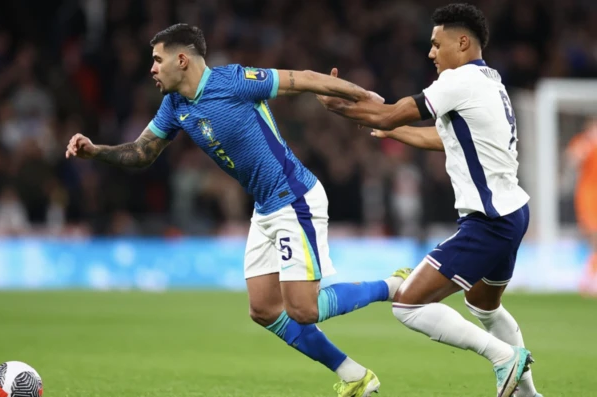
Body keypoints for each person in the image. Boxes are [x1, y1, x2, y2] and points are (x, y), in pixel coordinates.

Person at [65, 23, 410, 397]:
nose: (151, 68)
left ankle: (393, 286)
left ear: (181, 60)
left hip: (294, 197)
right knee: (263, 309)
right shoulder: (175, 105)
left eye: (157, 59)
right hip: (266, 207)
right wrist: (95, 151)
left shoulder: (233, 81)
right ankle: (354, 375)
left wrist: (370, 99)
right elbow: (141, 152)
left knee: (304, 310)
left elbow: (306, 79)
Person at [317, 4, 542, 397]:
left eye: (437, 44)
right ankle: (528, 394)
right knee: (484, 305)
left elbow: (392, 114)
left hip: (487, 221)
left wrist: (343, 104)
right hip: (513, 212)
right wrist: (391, 131)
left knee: (407, 304)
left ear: (463, 42)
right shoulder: (490, 80)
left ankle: (503, 357)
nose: (431, 53)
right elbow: (443, 140)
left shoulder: (459, 81)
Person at [564, 119, 597, 296]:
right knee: (593, 238)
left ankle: (588, 280)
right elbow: (572, 160)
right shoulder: (583, 142)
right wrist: (587, 143)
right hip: (589, 196)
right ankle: (588, 280)